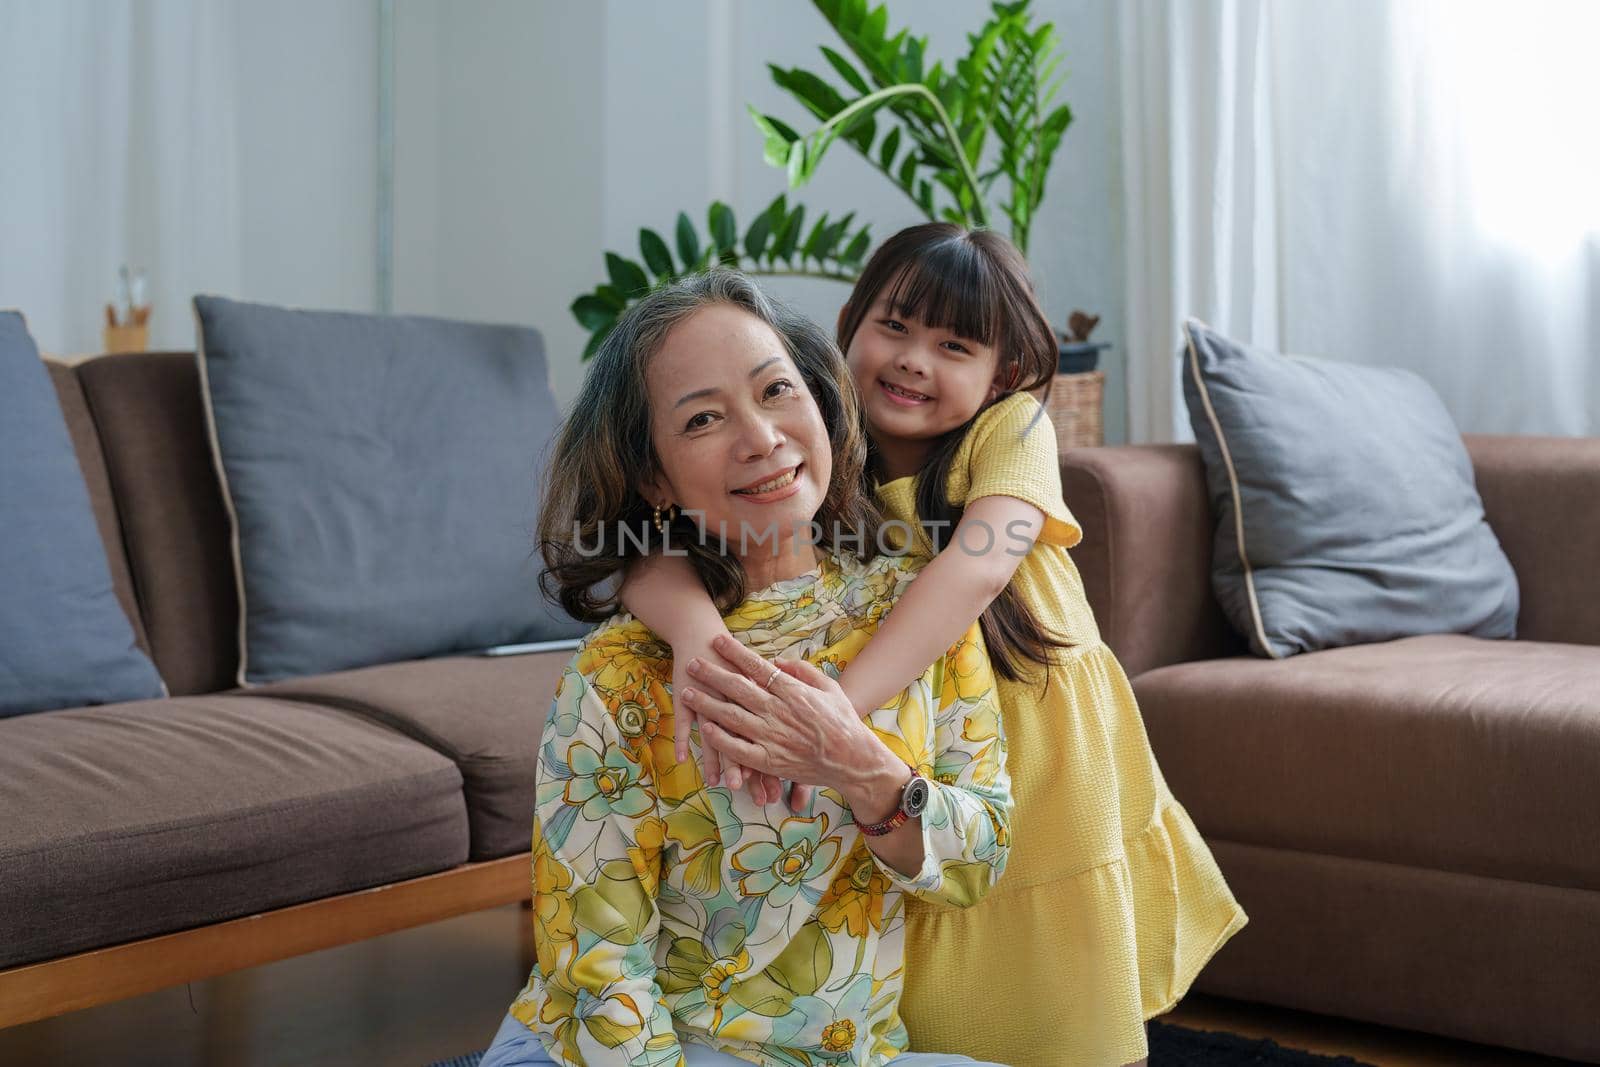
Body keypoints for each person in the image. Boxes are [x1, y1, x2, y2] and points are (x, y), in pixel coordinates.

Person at [621, 225, 1248, 1066]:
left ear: (1007, 373)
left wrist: (833, 714)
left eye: (954, 345)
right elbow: (644, 548)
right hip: (922, 752)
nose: (915, 359)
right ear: (850, 320)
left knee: (1067, 981)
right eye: (896, 326)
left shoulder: (1011, 431)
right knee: (937, 974)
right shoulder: (820, 449)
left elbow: (975, 570)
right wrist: (699, 639)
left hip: (1041, 755)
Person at [482, 270, 1015, 1067]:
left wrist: (867, 772)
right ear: (654, 478)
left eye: (776, 390)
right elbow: (601, 973)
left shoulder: (916, 616)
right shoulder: (621, 676)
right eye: (703, 418)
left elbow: (977, 864)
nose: (761, 436)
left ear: (821, 405)